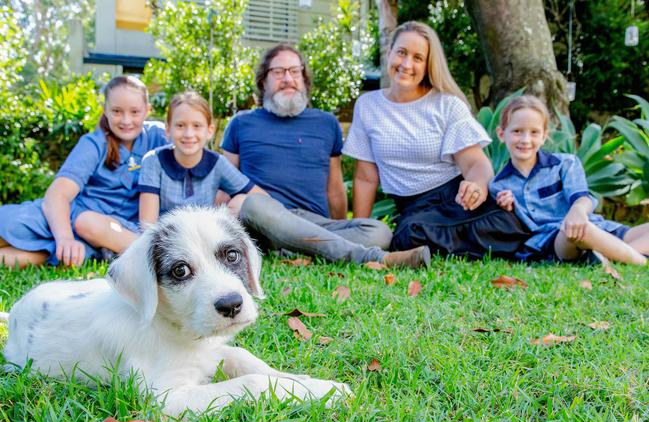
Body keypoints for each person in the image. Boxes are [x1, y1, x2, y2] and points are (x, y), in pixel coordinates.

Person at [219, 44, 430, 268]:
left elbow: (335, 189)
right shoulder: (241, 123)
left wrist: (340, 225)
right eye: (278, 72)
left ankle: (303, 249)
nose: (288, 78)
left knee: (379, 232)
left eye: (295, 71)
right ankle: (371, 258)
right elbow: (224, 185)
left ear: (304, 79)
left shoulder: (326, 123)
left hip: (315, 221)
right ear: (263, 81)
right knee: (251, 204)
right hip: (265, 220)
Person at [344, 21, 529, 259]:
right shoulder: (368, 106)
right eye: (401, 53)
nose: (407, 64)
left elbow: (476, 165)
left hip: (457, 200)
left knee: (508, 221)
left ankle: (458, 245)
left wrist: (477, 185)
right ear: (389, 52)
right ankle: (486, 247)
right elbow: (365, 177)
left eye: (418, 58)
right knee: (407, 235)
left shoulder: (447, 104)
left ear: (428, 64)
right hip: (415, 211)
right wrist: (362, 230)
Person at [0, 76, 168, 268]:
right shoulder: (95, 144)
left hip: (99, 235)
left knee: (35, 258)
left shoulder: (159, 137)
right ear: (105, 109)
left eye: (135, 112)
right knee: (14, 226)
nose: (126, 120)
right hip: (63, 218)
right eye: (116, 111)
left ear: (148, 110)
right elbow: (57, 195)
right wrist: (65, 238)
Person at [489, 95, 649, 264]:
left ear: (544, 136)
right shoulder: (499, 185)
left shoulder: (565, 163)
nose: (525, 140)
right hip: (557, 240)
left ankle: (606, 255)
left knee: (584, 225)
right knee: (578, 229)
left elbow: (582, 197)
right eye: (517, 131)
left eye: (534, 132)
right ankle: (640, 262)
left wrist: (578, 211)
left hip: (597, 228)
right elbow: (512, 231)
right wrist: (507, 209)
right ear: (501, 134)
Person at [138, 91, 261, 226]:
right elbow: (148, 226)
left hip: (205, 235)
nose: (188, 134)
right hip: (167, 238)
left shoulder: (216, 163)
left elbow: (259, 195)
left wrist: (236, 203)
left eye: (197, 126)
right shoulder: (153, 161)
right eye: (180, 125)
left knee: (242, 200)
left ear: (209, 131)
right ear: (168, 130)